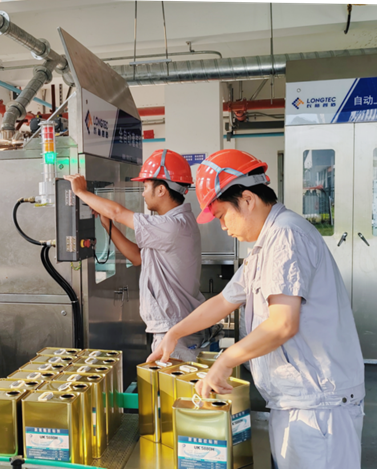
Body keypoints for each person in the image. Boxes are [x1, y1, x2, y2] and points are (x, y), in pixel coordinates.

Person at [147, 149, 365, 469]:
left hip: (319, 408)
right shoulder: (265, 246)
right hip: (295, 402)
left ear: (247, 199)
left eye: (222, 215)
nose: (223, 226)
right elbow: (224, 301)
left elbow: (282, 324)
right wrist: (174, 334)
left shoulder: (286, 236)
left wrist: (226, 361)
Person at [65, 149, 220, 362]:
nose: (143, 193)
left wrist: (81, 192)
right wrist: (107, 224)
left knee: (173, 382)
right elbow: (137, 257)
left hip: (175, 330)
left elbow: (118, 212)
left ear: (161, 190)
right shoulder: (172, 223)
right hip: (174, 327)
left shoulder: (172, 225)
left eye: (145, 187)